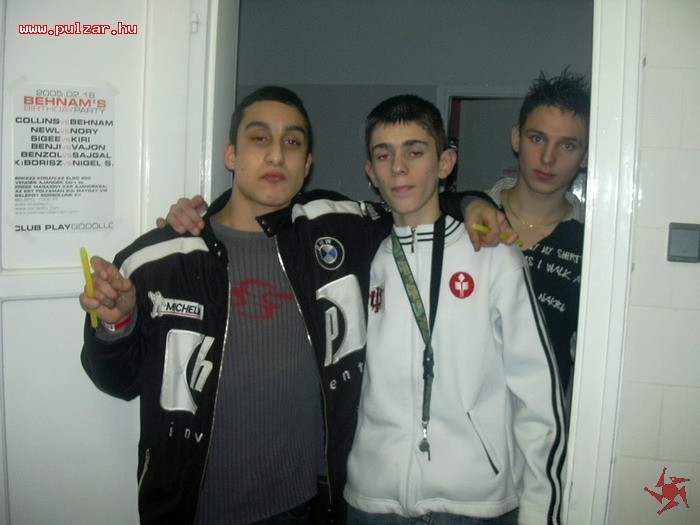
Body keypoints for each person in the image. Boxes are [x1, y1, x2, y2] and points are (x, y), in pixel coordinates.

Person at [80, 86, 510, 525]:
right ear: (231, 154)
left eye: (292, 142)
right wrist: (116, 325)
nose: (276, 155)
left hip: (308, 507)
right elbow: (118, 382)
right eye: (259, 138)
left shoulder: (338, 227)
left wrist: (471, 201)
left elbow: (411, 203)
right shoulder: (158, 259)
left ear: (307, 165)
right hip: (193, 510)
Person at [343, 94, 566, 524]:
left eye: (415, 152)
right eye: (384, 155)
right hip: (371, 502)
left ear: (445, 163)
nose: (398, 168)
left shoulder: (493, 255)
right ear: (370, 172)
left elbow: (537, 392)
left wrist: (540, 511)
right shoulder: (365, 257)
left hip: (473, 505)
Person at [487, 70, 589, 417]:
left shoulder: (593, 249)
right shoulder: (464, 220)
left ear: (585, 156)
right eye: (537, 139)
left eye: (568, 145)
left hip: (540, 434)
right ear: (517, 138)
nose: (548, 158)